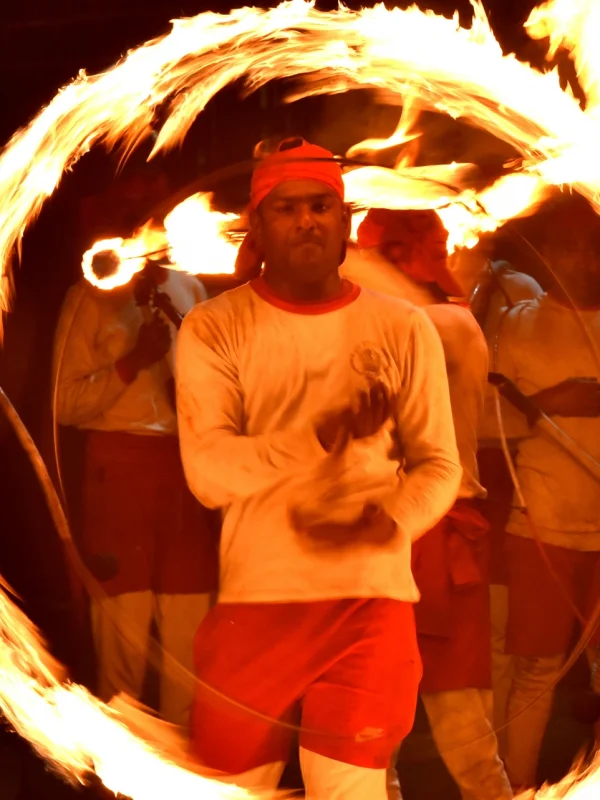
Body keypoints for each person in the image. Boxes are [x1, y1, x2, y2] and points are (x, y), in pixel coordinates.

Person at [176, 137, 462, 799]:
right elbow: (210, 476)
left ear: (344, 223)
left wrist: (389, 523)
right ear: (259, 228)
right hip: (257, 606)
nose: (306, 220)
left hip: (370, 606)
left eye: (320, 207)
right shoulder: (214, 328)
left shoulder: (403, 327)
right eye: (286, 208)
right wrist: (316, 439)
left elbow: (439, 464)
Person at [352, 208, 512, 800]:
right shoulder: (381, 320)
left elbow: (405, 328)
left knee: (461, 725)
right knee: (371, 730)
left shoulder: (446, 324)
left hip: (440, 540)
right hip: (381, 535)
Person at [53, 260, 219, 727]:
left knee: (190, 640)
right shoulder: (90, 297)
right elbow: (64, 402)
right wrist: (132, 361)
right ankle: (122, 782)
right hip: (118, 474)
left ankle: (183, 782)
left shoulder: (190, 287)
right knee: (122, 638)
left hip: (185, 472)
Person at [491, 195, 600, 791]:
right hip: (542, 525)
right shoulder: (517, 323)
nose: (581, 258)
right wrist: (551, 402)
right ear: (546, 252)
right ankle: (520, 789)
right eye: (566, 245)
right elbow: (492, 419)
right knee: (535, 671)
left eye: (592, 245)